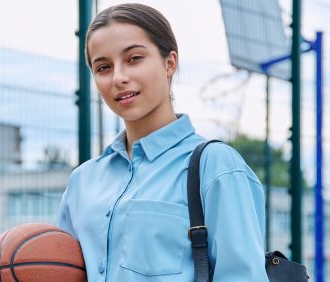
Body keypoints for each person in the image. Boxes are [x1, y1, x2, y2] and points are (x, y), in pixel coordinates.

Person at [57, 3, 269, 281]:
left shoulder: (215, 166)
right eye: (104, 67)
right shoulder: (82, 181)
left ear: (169, 62)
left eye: (134, 59)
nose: (119, 77)